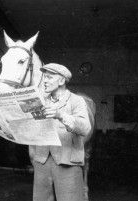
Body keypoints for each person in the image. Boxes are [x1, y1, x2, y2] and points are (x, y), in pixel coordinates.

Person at [29, 63, 91, 201]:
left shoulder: (77, 101)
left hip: (67, 161)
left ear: (62, 81)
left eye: (49, 77)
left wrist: (61, 115)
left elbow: (85, 128)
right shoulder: (39, 101)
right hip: (42, 162)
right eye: (44, 77)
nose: (44, 80)